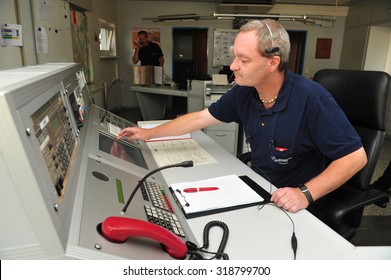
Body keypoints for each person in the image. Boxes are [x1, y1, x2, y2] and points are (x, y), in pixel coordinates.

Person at [119, 19, 367, 214]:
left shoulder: (312, 99)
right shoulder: (244, 92)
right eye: (234, 56)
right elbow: (198, 119)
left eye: (244, 60)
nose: (233, 66)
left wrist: (305, 193)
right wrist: (148, 134)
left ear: (272, 63)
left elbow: (355, 158)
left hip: (297, 203)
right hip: (257, 186)